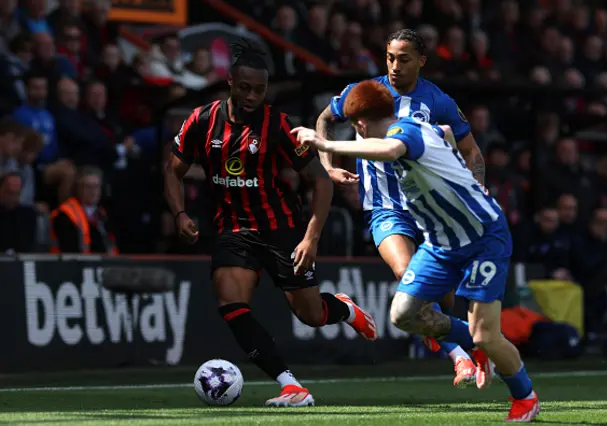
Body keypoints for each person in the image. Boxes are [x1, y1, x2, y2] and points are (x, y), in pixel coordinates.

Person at [293, 80, 540, 422]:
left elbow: (393, 150)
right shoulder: (423, 129)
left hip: (483, 237)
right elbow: (444, 133)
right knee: (404, 314)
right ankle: (476, 344)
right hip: (442, 242)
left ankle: (525, 396)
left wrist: (324, 143)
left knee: (487, 333)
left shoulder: (404, 135)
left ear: (360, 125)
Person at [164, 40, 376, 408]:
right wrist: (180, 213)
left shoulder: (278, 126)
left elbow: (320, 181)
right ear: (229, 81)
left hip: (282, 229)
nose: (251, 96)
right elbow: (173, 170)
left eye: (259, 90)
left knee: (311, 314)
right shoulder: (201, 120)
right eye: (244, 88)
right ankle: (291, 384)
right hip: (232, 229)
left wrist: (310, 238)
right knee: (231, 303)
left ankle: (343, 309)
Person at [315, 28, 485, 388]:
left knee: (446, 294)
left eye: (403, 59)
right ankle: (459, 357)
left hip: (431, 208)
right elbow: (325, 119)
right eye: (390, 57)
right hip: (384, 207)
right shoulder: (366, 93)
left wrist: (474, 189)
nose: (394, 66)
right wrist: (328, 165)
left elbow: (472, 152)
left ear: (421, 61)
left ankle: (449, 330)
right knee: (408, 274)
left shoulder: (437, 101)